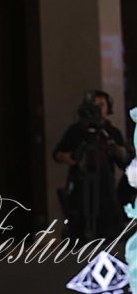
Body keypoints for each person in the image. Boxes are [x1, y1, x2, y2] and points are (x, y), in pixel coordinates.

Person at [54, 90, 131, 244]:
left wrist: (119, 151)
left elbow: (124, 163)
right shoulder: (76, 131)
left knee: (109, 233)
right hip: (80, 189)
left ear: (108, 108)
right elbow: (57, 153)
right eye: (93, 105)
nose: (97, 108)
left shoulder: (111, 133)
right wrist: (67, 157)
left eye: (101, 105)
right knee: (78, 231)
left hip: (106, 190)